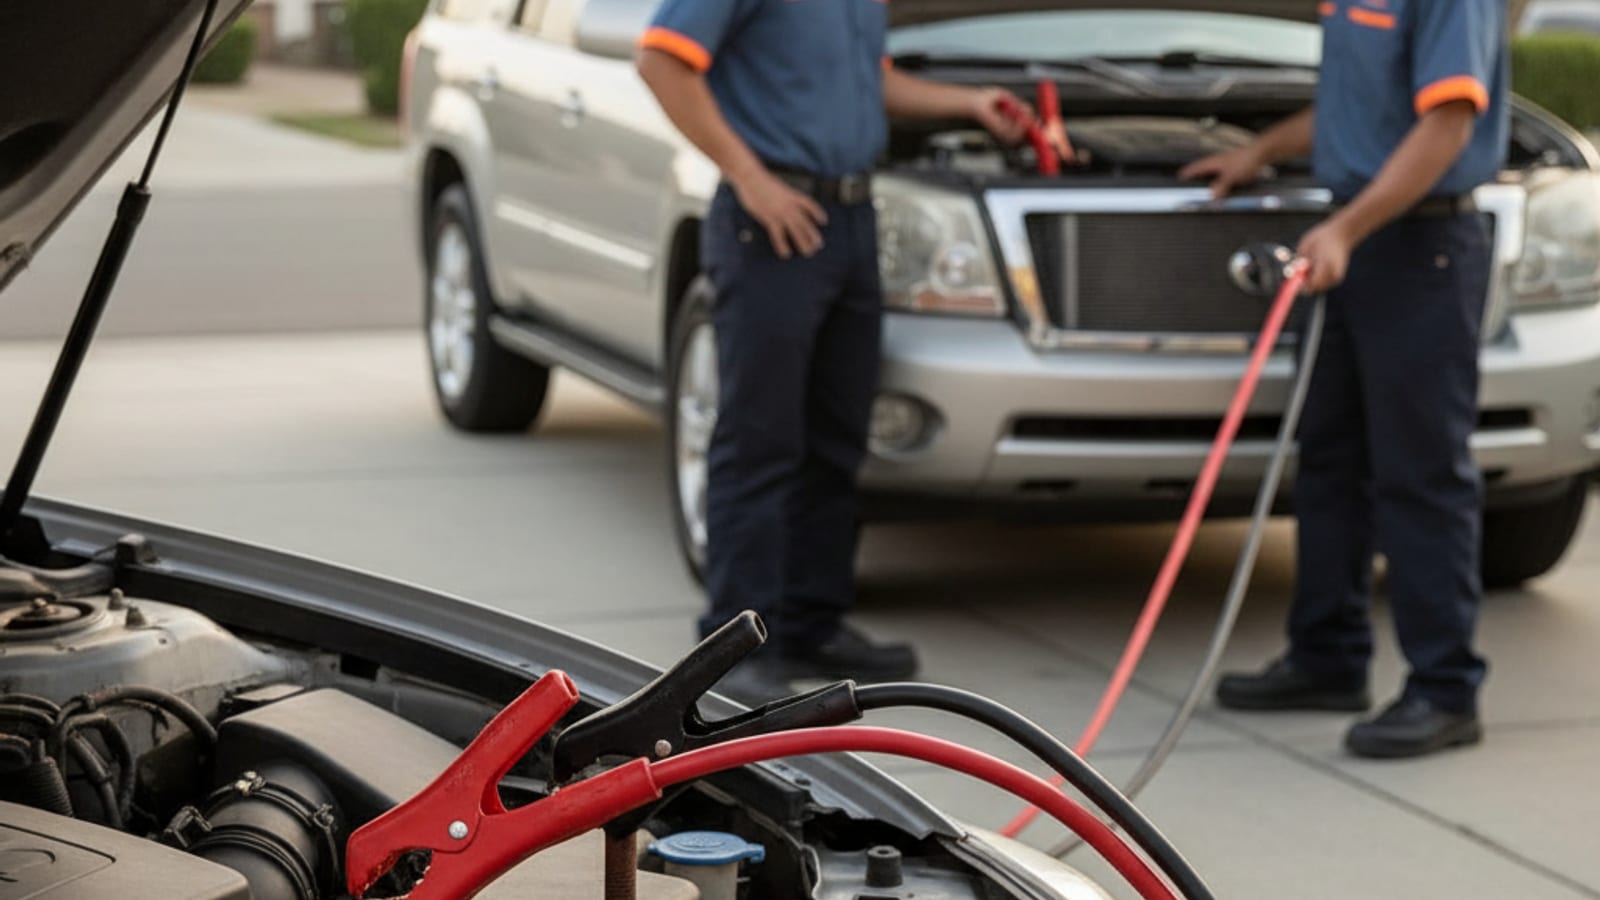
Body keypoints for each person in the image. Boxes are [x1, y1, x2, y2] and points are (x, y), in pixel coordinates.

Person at [637, 0, 1046, 703]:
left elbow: (869, 79)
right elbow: (663, 61)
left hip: (851, 222)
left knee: (836, 436)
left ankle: (811, 624)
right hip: (773, 223)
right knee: (760, 439)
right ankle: (732, 649)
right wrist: (751, 178)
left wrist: (968, 103)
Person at [1182, 0, 1507, 758]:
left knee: (1422, 474)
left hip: (1419, 247)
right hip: (1357, 241)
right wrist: (1259, 150)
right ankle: (1327, 657)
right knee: (1331, 460)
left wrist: (1345, 229)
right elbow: (1355, 106)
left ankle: (1445, 688)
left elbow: (1446, 124)